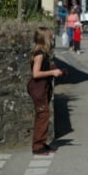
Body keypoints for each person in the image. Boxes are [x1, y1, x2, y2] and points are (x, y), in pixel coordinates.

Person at [27, 27, 66, 155]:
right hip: (39, 87)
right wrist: (52, 72)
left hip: (43, 87)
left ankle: (41, 143)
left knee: (42, 115)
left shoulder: (42, 53)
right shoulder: (39, 54)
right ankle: (38, 146)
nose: (52, 39)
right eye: (50, 37)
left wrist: (57, 71)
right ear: (44, 39)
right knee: (42, 115)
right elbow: (36, 74)